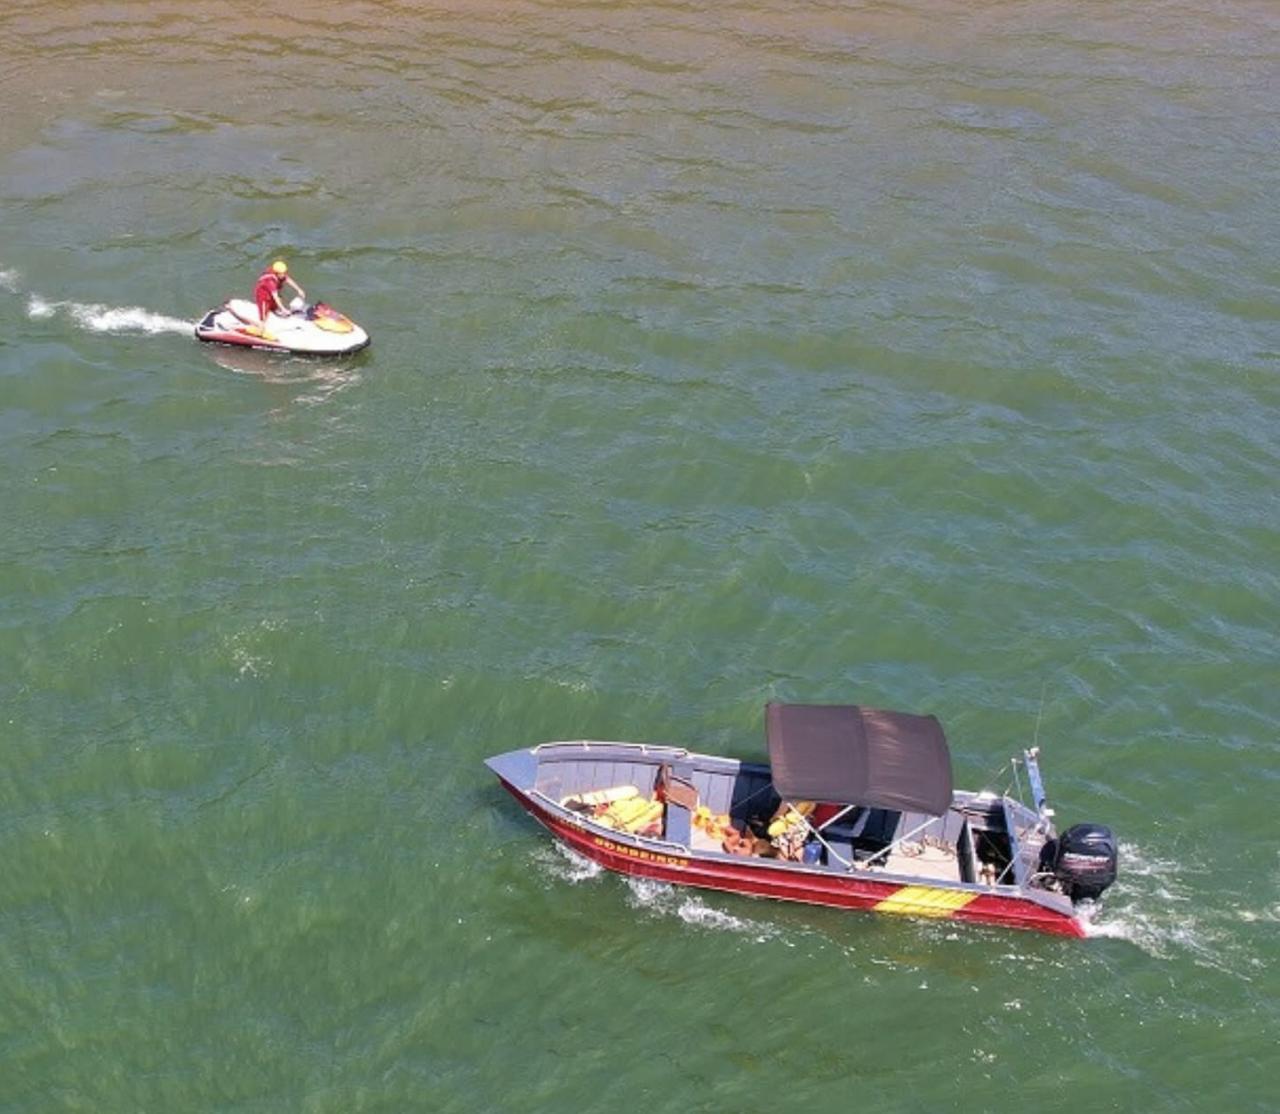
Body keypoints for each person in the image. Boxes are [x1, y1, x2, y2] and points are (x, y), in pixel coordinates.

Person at [253, 260, 306, 338]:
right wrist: (283, 309)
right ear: (277, 273)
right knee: (263, 317)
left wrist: (298, 289)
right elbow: (275, 297)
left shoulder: (280, 274)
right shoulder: (270, 281)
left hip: (272, 294)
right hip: (263, 296)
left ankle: (275, 312)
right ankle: (260, 332)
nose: (284, 275)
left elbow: (288, 279)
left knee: (276, 305)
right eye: (282, 273)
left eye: (285, 272)